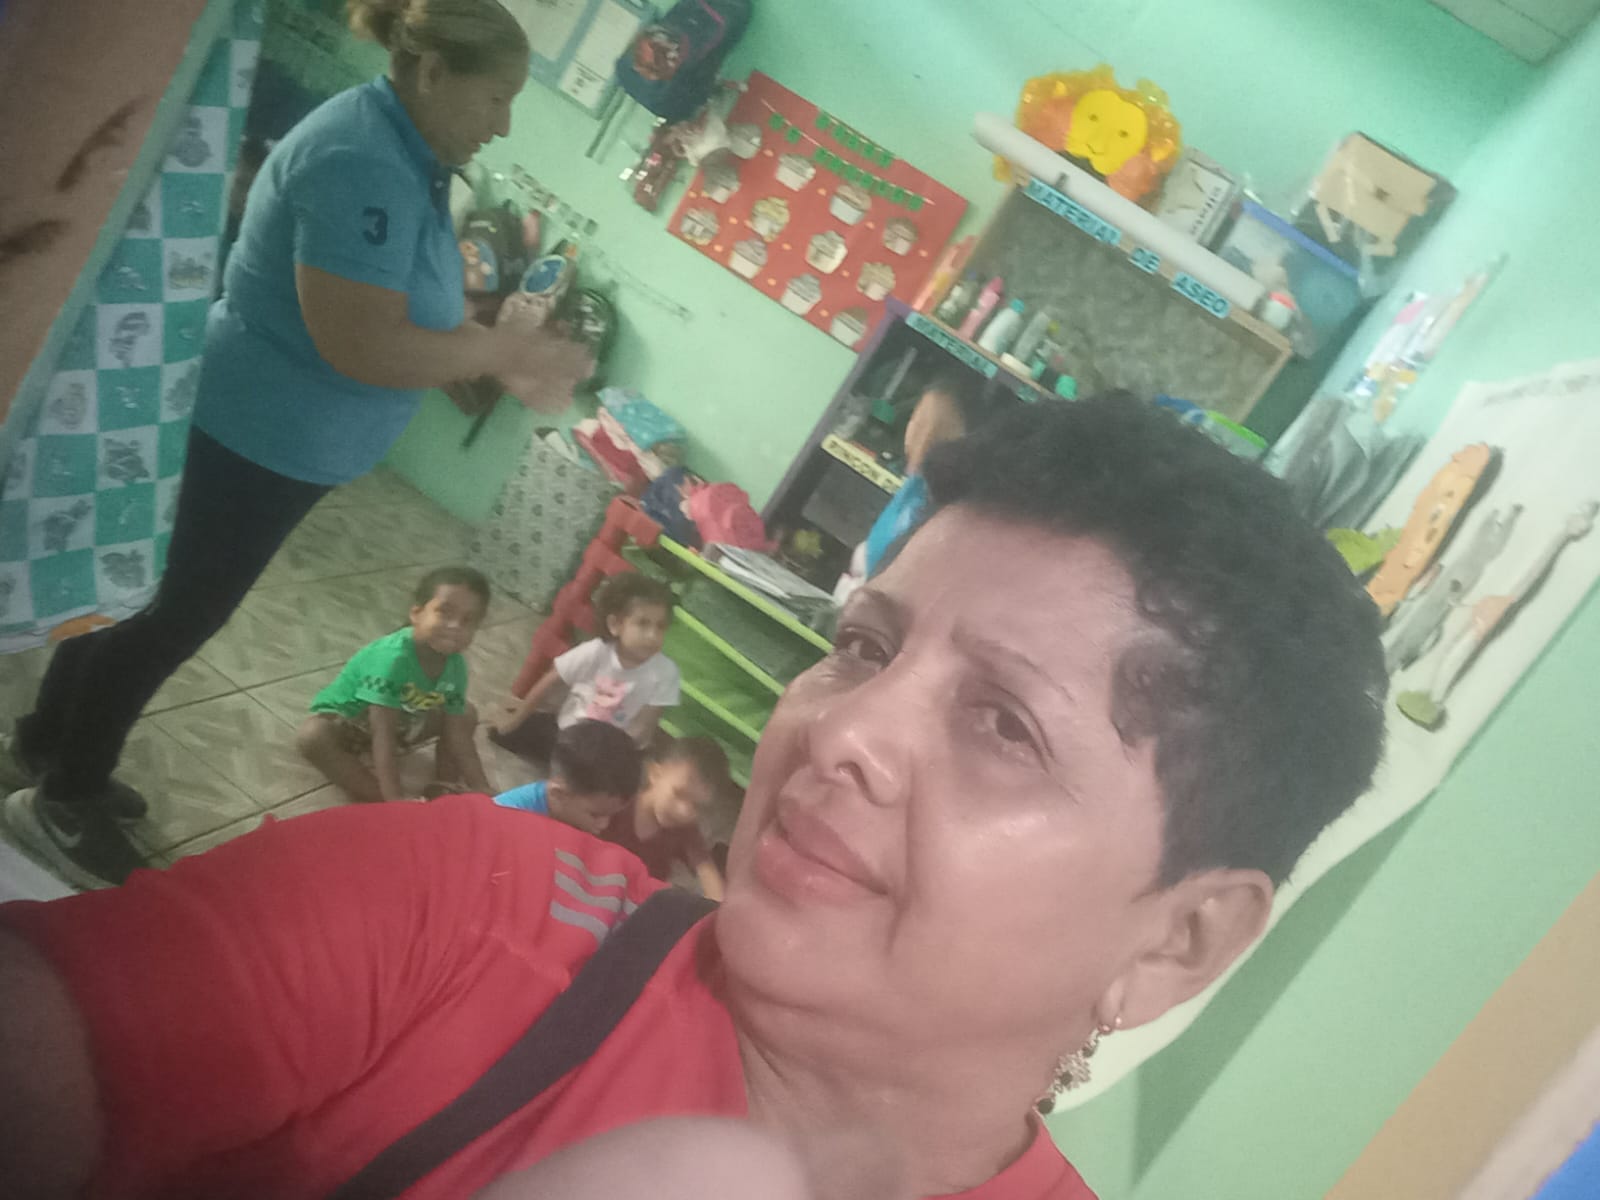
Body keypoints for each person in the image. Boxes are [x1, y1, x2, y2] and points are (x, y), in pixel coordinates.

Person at [0, 397, 1387, 1200]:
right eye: (865, 648)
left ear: (1176, 940)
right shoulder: (476, 916)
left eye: (1003, 725)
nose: (843, 730)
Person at [0, 0, 594, 889]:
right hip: (251, 430)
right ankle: (64, 799)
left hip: (275, 436)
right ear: (434, 72)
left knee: (145, 597)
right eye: (496, 97)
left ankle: (50, 742)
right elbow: (360, 341)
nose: (504, 122)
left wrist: (485, 342)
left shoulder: (407, 154)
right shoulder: (363, 158)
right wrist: (498, 350)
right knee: (167, 614)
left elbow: (395, 306)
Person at [297, 566, 494, 803]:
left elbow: (458, 735)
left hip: (404, 723)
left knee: (465, 715)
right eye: (445, 612)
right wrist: (394, 796)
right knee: (313, 735)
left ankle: (445, 787)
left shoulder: (456, 665)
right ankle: (386, 801)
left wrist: (483, 789)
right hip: (352, 725)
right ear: (416, 613)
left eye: (468, 620)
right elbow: (383, 734)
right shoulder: (392, 659)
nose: (455, 626)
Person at [492, 573, 680, 756]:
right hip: (568, 734)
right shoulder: (596, 651)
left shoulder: (665, 672)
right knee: (505, 733)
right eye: (642, 624)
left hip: (612, 749)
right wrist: (516, 720)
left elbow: (644, 727)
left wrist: (616, 754)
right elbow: (551, 679)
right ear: (615, 625)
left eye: (660, 626)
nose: (652, 636)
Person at [598, 735, 730, 900]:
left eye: (697, 806)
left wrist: (719, 908)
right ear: (655, 774)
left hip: (633, 901)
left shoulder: (684, 829)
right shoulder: (617, 804)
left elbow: (707, 870)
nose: (684, 811)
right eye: (679, 793)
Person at [494, 719, 642, 835]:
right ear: (558, 794)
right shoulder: (507, 820)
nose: (604, 825)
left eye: (611, 816)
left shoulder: (578, 807)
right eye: (595, 815)